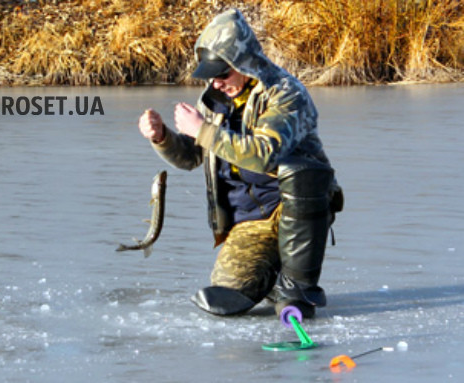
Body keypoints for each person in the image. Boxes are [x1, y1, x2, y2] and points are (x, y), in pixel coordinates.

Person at [138, 8, 343, 318]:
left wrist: (202, 130)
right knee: (230, 289)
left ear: (244, 63)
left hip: (293, 209)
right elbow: (193, 156)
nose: (216, 83)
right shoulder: (215, 100)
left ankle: (298, 287)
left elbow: (264, 153)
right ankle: (272, 279)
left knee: (302, 175)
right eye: (210, 75)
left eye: (222, 73)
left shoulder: (285, 94)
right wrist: (162, 136)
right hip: (250, 219)